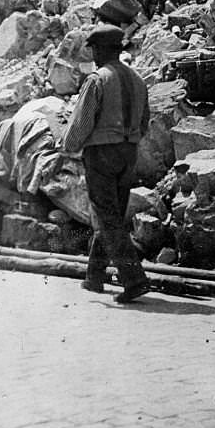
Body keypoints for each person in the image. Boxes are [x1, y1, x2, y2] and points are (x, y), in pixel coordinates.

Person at [63, 23, 151, 304]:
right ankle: (95, 276)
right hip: (129, 152)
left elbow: (82, 121)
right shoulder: (138, 79)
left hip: (101, 153)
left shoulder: (96, 80)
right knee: (111, 214)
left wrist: (69, 146)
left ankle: (134, 279)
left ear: (100, 50)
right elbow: (145, 120)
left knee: (107, 215)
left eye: (94, 49)